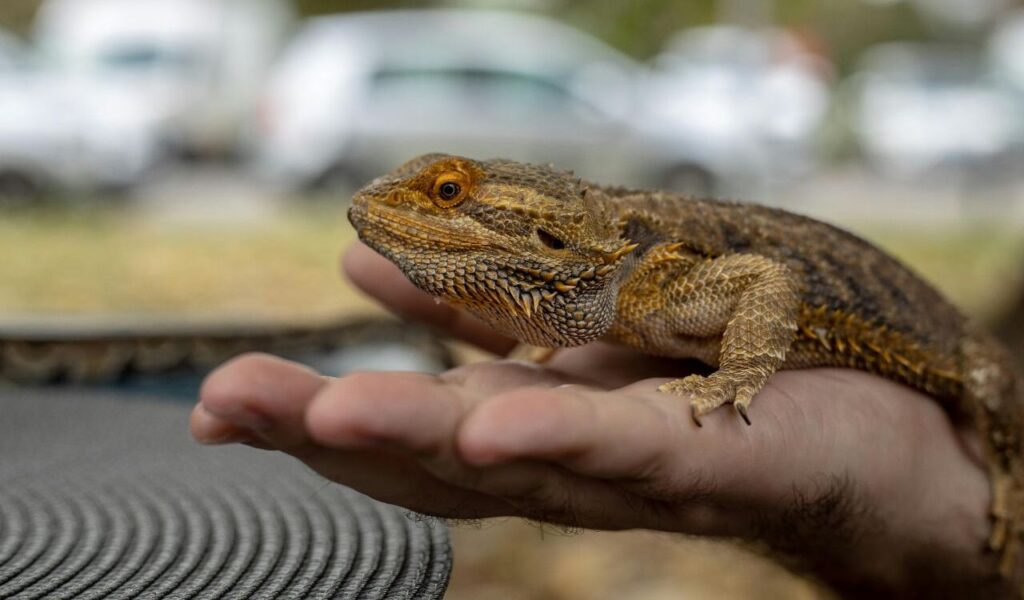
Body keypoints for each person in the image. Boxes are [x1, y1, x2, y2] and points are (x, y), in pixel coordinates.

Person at [191, 242, 1011, 597]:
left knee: (990, 378)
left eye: (450, 195)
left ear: (554, 229)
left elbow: (763, 280)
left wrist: (743, 370)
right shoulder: (610, 289)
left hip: (949, 362)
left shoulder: (657, 281)